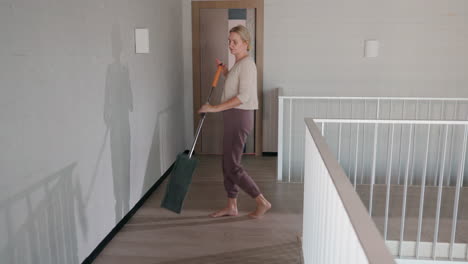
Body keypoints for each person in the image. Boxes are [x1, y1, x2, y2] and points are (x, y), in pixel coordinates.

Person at [198, 25, 271, 219]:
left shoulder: (248, 64)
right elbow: (234, 83)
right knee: (227, 163)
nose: (230, 45)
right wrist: (224, 71)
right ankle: (232, 206)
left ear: (246, 44)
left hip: (239, 116)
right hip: (232, 116)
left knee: (233, 166)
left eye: (235, 42)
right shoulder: (239, 64)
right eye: (229, 41)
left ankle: (261, 201)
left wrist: (213, 108)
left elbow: (243, 96)